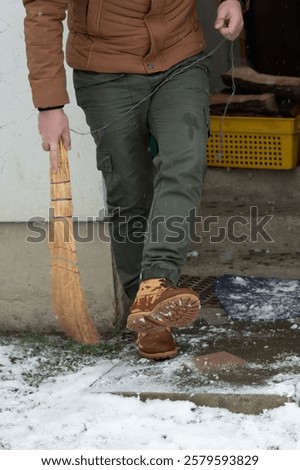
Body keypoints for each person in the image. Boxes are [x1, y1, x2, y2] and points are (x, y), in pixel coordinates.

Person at [23, 0, 247, 360]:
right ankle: (145, 315)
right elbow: (42, 11)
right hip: (105, 72)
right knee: (129, 190)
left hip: (180, 59)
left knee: (184, 160)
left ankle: (155, 285)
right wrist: (49, 105)